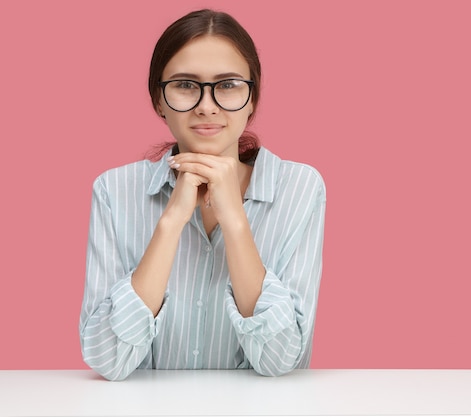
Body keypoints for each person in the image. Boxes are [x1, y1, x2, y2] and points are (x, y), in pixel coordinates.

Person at [79, 9, 326, 381]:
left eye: (227, 85)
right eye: (185, 85)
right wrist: (171, 222)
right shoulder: (114, 191)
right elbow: (107, 358)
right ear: (159, 101)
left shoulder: (300, 188)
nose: (206, 105)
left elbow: (280, 360)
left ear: (253, 99)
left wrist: (236, 223)